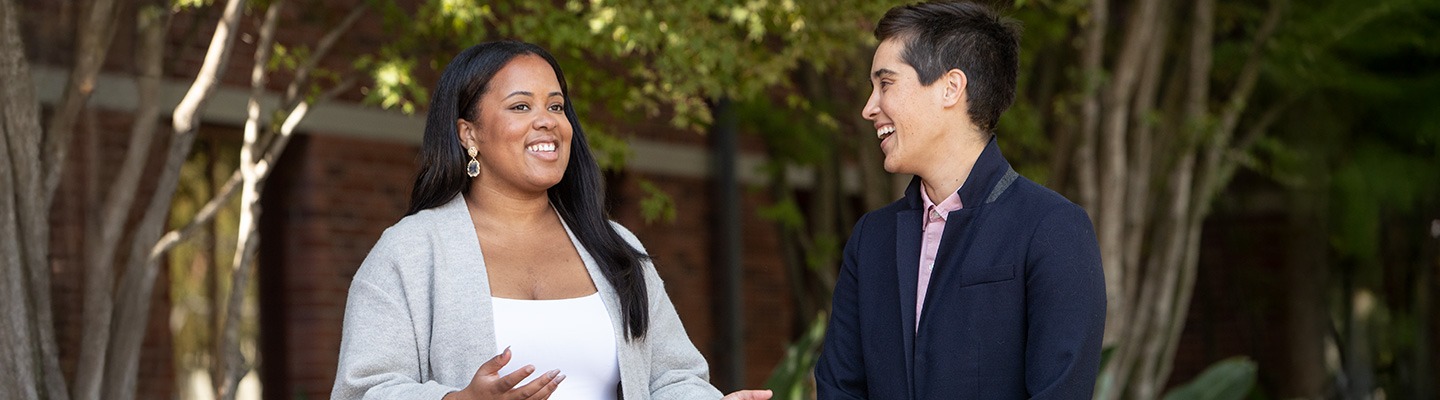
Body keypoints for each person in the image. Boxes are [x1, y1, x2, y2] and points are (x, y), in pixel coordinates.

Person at [330, 40, 771, 400]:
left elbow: (672, 377)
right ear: (469, 133)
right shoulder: (411, 251)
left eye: (556, 106)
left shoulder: (612, 245)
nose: (547, 121)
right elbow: (365, 389)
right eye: (521, 107)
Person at [814, 2, 1106, 399]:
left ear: (951, 88)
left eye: (886, 84)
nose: (869, 108)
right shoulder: (871, 239)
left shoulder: (1053, 229)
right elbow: (839, 387)